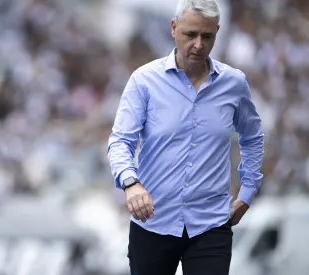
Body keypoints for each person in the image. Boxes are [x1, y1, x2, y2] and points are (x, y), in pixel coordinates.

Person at [106, 1, 264, 275]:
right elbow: (120, 141)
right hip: (153, 221)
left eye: (207, 36)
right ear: (174, 28)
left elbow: (252, 137)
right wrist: (131, 183)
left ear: (217, 32)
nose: (198, 45)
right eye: (190, 34)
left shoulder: (234, 84)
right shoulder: (144, 81)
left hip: (211, 225)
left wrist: (247, 192)